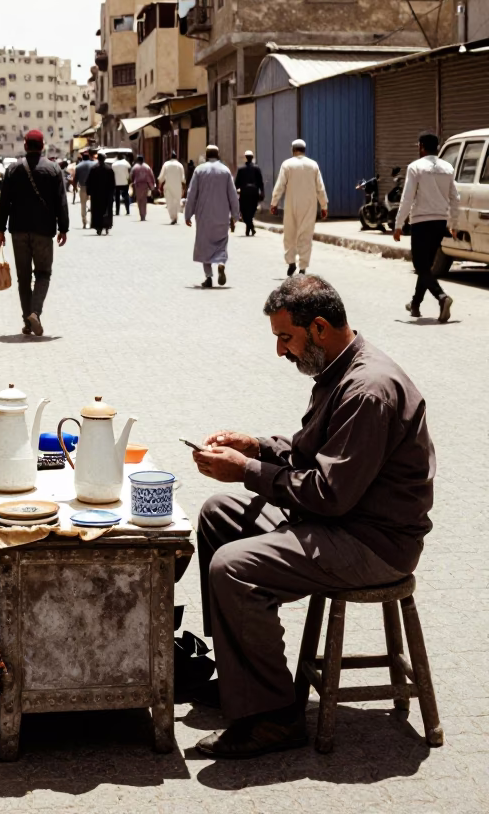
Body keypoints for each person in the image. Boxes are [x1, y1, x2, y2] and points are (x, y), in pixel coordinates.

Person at [190, 274, 435, 759]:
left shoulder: (367, 389)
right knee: (218, 515)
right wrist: (256, 447)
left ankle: (274, 717)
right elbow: (313, 456)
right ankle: (243, 680)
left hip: (372, 543)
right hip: (343, 520)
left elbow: (328, 493)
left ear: (319, 328)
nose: (282, 351)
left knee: (232, 567)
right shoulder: (338, 371)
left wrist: (247, 471)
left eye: (286, 338)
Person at [0, 129, 68, 335]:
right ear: (43, 146)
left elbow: (4, 203)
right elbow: (61, 201)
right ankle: (35, 313)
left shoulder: (13, 169)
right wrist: (63, 228)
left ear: (26, 146)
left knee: (24, 278)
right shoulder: (54, 169)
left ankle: (27, 321)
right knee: (43, 273)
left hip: (18, 231)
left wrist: (0, 230)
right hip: (44, 231)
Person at [393, 132, 460, 323]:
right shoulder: (447, 167)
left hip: (421, 222)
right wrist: (453, 223)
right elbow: (455, 197)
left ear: (421, 146)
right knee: (426, 267)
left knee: (420, 266)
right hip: (440, 222)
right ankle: (415, 304)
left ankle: (442, 297)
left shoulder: (415, 167)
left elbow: (407, 198)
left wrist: (398, 224)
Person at [184, 145, 240, 288]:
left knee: (205, 245)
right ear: (218, 154)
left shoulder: (199, 170)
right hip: (222, 215)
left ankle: (208, 277)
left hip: (204, 216)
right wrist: (235, 215)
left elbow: (191, 194)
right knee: (221, 243)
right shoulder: (225, 171)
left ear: (207, 155)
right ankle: (221, 263)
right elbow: (233, 195)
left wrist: (188, 214)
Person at [270, 139, 328, 276]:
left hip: (291, 205)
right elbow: (320, 188)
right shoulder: (313, 165)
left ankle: (291, 262)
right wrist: (324, 205)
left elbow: (280, 186)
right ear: (304, 150)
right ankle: (302, 267)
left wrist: (274, 203)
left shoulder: (287, 164)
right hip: (309, 206)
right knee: (305, 236)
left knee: (289, 234)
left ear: (293, 150)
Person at [235, 150, 264, 236]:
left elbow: (236, 183)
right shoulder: (257, 168)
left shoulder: (241, 169)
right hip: (253, 193)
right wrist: (262, 192)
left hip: (245, 193)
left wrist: (235, 191)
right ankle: (251, 227)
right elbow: (261, 182)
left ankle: (249, 228)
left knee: (244, 211)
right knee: (251, 211)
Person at [86, 150, 115, 234]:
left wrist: (89, 192)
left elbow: (89, 182)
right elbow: (112, 183)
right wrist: (112, 193)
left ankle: (98, 227)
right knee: (107, 210)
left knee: (96, 211)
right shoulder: (109, 169)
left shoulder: (94, 169)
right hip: (107, 194)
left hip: (96, 195)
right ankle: (107, 226)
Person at [157, 151, 185, 225]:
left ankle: (173, 218)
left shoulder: (166, 164)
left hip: (168, 186)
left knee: (170, 203)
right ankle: (175, 217)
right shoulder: (180, 165)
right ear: (176, 157)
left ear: (170, 157)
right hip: (178, 187)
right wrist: (184, 188)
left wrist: (159, 185)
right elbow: (183, 178)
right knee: (176, 202)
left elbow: (161, 177)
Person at [129, 154, 156, 221]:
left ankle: (141, 214)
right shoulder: (147, 167)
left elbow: (131, 176)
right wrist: (152, 185)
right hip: (145, 185)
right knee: (144, 200)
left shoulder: (135, 167)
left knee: (139, 200)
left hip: (138, 185)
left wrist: (132, 183)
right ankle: (143, 215)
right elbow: (151, 175)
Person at [74, 149, 95, 228]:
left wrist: (74, 187)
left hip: (83, 187)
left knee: (83, 205)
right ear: (89, 157)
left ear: (82, 157)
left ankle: (84, 222)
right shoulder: (94, 164)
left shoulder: (78, 166)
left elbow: (75, 179)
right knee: (93, 204)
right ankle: (93, 222)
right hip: (93, 187)